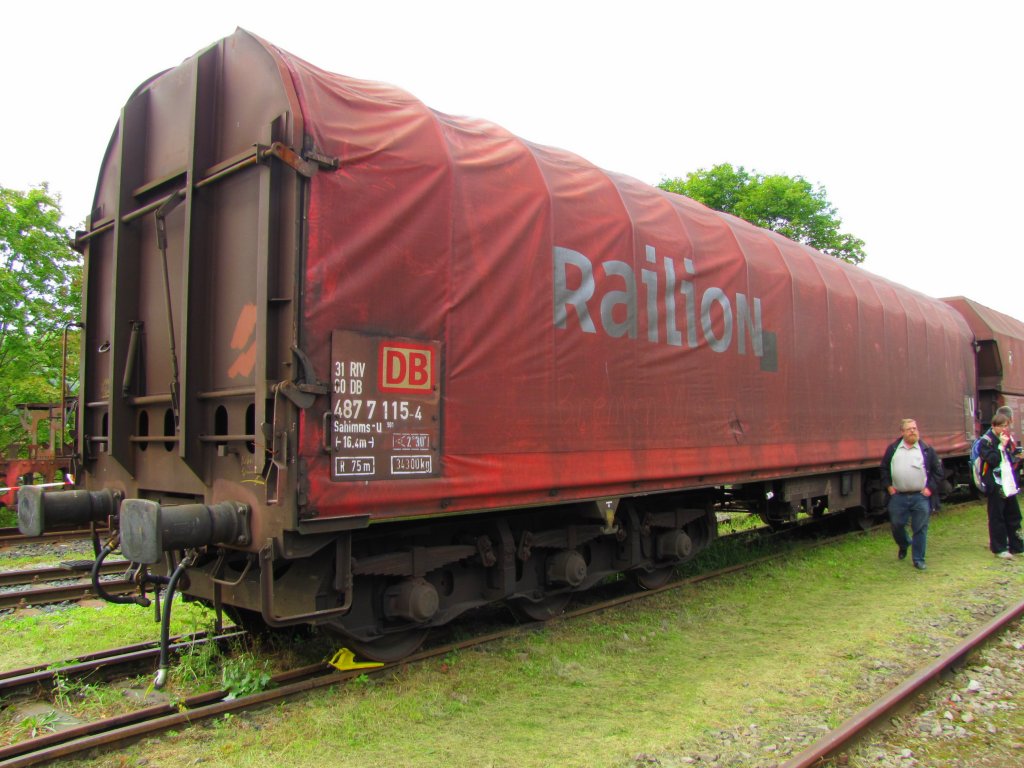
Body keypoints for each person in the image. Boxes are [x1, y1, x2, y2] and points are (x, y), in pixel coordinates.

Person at [880, 418, 943, 570]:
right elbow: (883, 468)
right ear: (902, 432)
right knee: (896, 525)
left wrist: (929, 489)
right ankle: (904, 544)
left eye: (915, 428)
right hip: (898, 496)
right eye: (909, 429)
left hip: (920, 496)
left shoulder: (926, 450)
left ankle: (918, 559)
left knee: (920, 527)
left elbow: (938, 471)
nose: (913, 431)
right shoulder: (893, 449)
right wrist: (889, 486)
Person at [978, 411, 1024, 559]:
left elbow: (1010, 459)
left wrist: (1017, 455)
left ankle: (1017, 546)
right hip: (995, 483)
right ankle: (999, 548)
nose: (1004, 429)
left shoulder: (1007, 438)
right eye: (1002, 426)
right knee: (997, 516)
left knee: (1014, 514)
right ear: (994, 426)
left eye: (1006, 426)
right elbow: (993, 460)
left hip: (1008, 482)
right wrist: (1001, 446)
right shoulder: (986, 441)